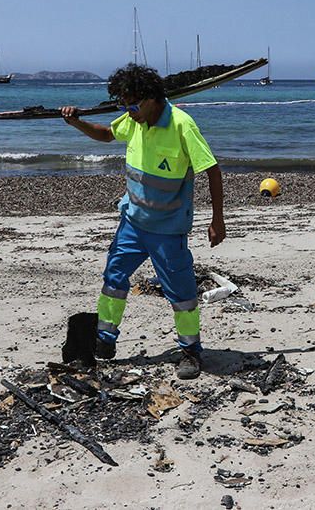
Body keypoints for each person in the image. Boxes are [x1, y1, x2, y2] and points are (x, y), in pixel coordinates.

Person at [60, 64, 225, 380]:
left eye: (133, 105)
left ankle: (190, 351)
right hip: (132, 223)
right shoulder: (134, 121)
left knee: (181, 292)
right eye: (123, 105)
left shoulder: (181, 125)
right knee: (113, 279)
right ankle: (104, 340)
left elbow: (212, 170)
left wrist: (217, 220)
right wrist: (76, 122)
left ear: (152, 98)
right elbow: (108, 134)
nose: (128, 111)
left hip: (168, 229)